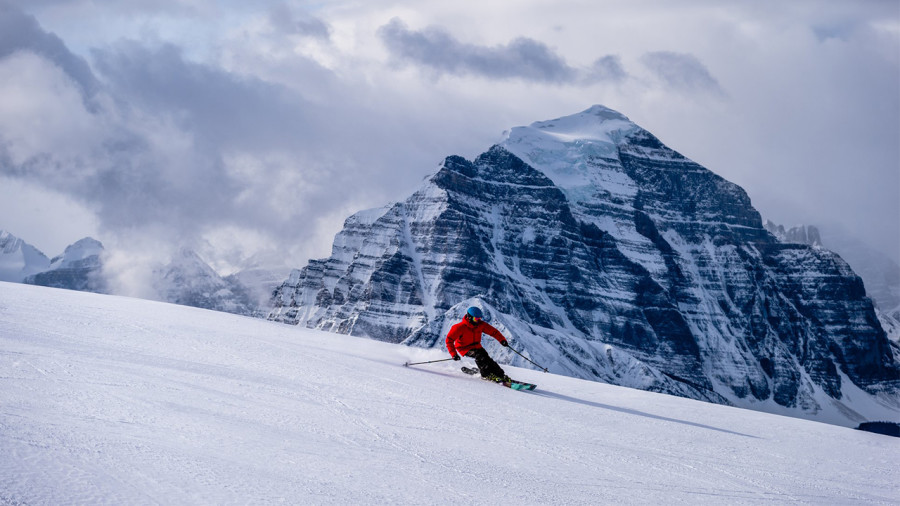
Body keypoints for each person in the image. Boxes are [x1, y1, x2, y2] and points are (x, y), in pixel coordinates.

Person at [446, 306, 510, 382]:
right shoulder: (459, 327)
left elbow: (493, 332)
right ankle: (486, 375)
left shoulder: (480, 325)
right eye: (476, 319)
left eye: (479, 319)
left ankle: (500, 374)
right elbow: (449, 340)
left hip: (477, 346)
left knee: (488, 359)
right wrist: (454, 354)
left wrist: (502, 340)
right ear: (469, 317)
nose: (478, 321)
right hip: (464, 348)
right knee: (480, 356)